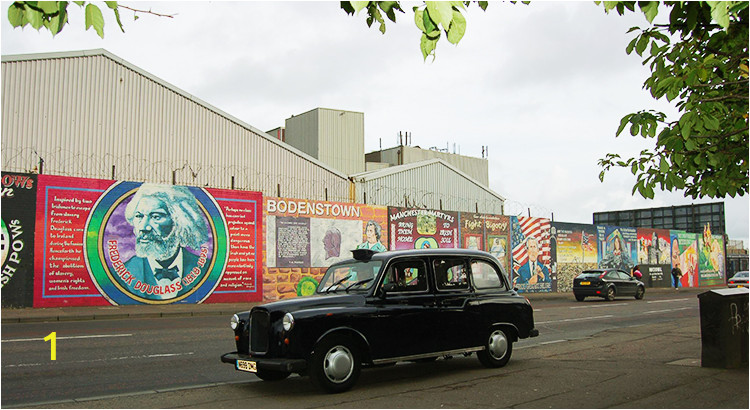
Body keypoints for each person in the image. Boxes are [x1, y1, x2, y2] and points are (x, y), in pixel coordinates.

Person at [123, 184, 211, 300]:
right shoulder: (125, 273)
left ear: (179, 222)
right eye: (139, 216)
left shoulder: (204, 268)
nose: (143, 227)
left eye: (156, 217)